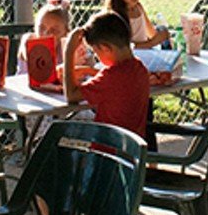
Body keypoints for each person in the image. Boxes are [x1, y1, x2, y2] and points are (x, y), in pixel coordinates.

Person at [62, 11, 150, 139]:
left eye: (95, 52)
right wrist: (89, 71)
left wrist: (68, 52)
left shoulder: (110, 78)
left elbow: (71, 95)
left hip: (108, 150)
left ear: (106, 48)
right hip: (131, 149)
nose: (96, 56)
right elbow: (119, 84)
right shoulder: (140, 69)